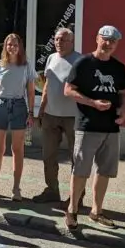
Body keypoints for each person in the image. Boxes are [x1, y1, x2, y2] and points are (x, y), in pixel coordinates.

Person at [62, 25, 125, 230]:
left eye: (113, 41)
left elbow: (123, 93)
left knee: (105, 171)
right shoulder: (83, 63)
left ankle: (96, 211)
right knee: (81, 170)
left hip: (111, 128)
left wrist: (123, 111)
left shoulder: (118, 67)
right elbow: (68, 90)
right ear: (97, 39)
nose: (108, 44)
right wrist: (93, 103)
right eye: (105, 39)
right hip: (87, 125)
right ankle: (72, 211)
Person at [33, 27, 82, 205]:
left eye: (63, 40)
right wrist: (41, 109)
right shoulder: (51, 58)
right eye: (56, 40)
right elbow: (46, 86)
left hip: (73, 117)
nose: (59, 43)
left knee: (76, 158)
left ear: (71, 42)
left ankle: (77, 196)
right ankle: (52, 190)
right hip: (50, 115)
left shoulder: (80, 60)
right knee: (49, 156)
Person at [0, 33, 36, 201]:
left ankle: (16, 188)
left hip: (19, 106)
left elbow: (30, 91)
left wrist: (30, 113)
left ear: (20, 47)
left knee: (18, 149)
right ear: (5, 47)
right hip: (0, 106)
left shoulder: (26, 66)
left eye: (15, 44)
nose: (12, 47)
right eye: (9, 44)